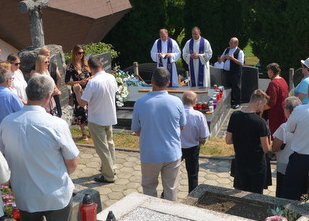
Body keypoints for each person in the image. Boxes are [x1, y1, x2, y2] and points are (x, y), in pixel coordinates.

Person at [0, 75, 79, 221]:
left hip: (25, 194)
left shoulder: (7, 122)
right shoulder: (56, 124)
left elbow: (3, 156)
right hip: (56, 193)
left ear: (27, 93)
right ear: (49, 96)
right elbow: (72, 162)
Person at [131, 67, 186, 200]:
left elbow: (136, 130)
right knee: (171, 190)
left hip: (150, 153)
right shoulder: (177, 101)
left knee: (149, 189)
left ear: (152, 81)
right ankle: (169, 212)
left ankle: (150, 212)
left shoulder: (140, 103)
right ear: (168, 82)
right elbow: (182, 126)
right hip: (172, 152)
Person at [74, 56, 118, 183]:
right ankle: (111, 167)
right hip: (109, 116)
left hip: (97, 118)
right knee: (110, 144)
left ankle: (109, 175)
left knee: (102, 148)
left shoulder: (93, 82)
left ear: (90, 68)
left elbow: (82, 103)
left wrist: (77, 92)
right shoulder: (111, 77)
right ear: (101, 64)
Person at [226, 90, 271, 194]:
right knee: (255, 196)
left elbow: (228, 140)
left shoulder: (234, 115)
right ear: (259, 102)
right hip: (256, 165)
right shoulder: (261, 122)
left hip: (240, 162)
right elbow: (266, 148)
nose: (263, 108)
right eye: (263, 105)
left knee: (239, 192)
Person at [272, 96, 302, 198]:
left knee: (283, 193)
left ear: (288, 110)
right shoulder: (305, 125)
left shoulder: (284, 127)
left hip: (284, 164)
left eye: (284, 107)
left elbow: (275, 147)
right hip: (301, 164)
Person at [181, 90, 210, 193]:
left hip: (176, 146)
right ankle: (192, 195)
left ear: (182, 100)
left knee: (172, 172)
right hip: (192, 147)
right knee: (193, 174)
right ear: (195, 102)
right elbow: (204, 135)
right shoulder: (198, 115)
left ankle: (166, 193)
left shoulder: (176, 113)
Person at [0, 67, 24, 140]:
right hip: (12, 129)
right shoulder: (11, 95)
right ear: (7, 81)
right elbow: (22, 112)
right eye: (11, 79)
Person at [65, 45, 91, 140]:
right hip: (78, 90)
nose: (81, 55)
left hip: (88, 89)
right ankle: (83, 132)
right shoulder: (71, 66)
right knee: (80, 111)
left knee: (89, 110)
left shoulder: (86, 64)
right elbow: (67, 81)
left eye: (83, 53)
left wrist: (88, 79)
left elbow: (93, 75)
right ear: (75, 53)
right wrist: (79, 82)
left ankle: (91, 130)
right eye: (79, 53)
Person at [37, 47, 63, 116]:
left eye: (48, 55)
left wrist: (56, 89)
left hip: (54, 93)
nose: (48, 57)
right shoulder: (36, 69)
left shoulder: (53, 65)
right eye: (46, 55)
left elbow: (59, 77)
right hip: (46, 96)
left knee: (57, 112)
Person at [219, 37, 244, 109]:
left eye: (231, 43)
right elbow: (221, 59)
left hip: (235, 72)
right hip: (227, 72)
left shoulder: (239, 51)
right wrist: (225, 57)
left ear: (236, 44)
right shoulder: (227, 49)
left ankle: (237, 102)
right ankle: (230, 101)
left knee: (236, 87)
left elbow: (241, 62)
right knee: (227, 87)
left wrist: (232, 59)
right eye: (229, 43)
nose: (230, 44)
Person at [265, 63, 289, 134]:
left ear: (271, 71)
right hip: (284, 111)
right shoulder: (283, 80)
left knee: (275, 134)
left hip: (276, 113)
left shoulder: (273, 83)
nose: (267, 73)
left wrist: (261, 108)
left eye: (268, 70)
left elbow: (272, 102)